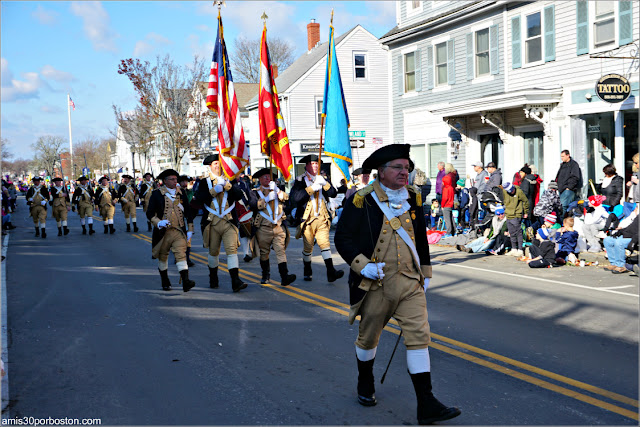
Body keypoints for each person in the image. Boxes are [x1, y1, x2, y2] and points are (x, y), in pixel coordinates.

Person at [334, 144, 460, 425]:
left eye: (407, 167)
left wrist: (424, 273)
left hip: (410, 281)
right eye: (398, 167)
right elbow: (343, 238)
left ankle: (426, 404)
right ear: (381, 171)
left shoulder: (413, 197)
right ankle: (364, 380)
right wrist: (362, 264)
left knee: (419, 337)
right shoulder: (360, 200)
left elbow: (419, 238)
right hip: (375, 283)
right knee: (369, 338)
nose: (405, 172)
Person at [196, 153, 247, 292]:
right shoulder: (204, 182)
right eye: (215, 164)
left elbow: (239, 196)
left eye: (219, 163)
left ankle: (235, 280)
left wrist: (228, 186)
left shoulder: (229, 180)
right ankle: (213, 278)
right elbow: (199, 200)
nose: (218, 166)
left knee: (232, 250)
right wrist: (213, 191)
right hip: (212, 222)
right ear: (210, 167)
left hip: (228, 221)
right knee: (213, 252)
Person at [290, 154, 344, 282]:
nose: (315, 166)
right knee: (308, 247)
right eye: (312, 164)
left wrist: (324, 183)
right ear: (307, 165)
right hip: (307, 219)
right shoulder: (299, 181)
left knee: (325, 244)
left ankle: (331, 272)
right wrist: (312, 188)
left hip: (322, 217)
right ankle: (307, 269)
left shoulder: (322, 178)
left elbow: (333, 193)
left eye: (317, 164)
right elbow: (296, 198)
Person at [146, 169, 196, 292]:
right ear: (165, 181)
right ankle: (165, 280)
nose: (175, 181)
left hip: (179, 230)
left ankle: (185, 281)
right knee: (163, 257)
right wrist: (159, 222)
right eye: (172, 179)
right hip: (163, 232)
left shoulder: (182, 193)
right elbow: (150, 213)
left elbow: (188, 212)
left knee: (181, 254)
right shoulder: (157, 194)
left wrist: (189, 229)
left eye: (176, 179)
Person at [248, 168, 296, 286]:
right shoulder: (254, 192)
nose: (268, 179)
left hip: (278, 226)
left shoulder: (277, 190)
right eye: (265, 177)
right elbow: (253, 205)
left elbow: (287, 199)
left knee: (281, 251)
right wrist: (266, 198)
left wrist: (278, 191)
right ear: (259, 179)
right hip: (263, 227)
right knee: (264, 252)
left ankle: (284, 276)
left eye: (269, 177)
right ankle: (265, 274)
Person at [603, 204, 639, 274]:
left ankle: (621, 266)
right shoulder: (636, 217)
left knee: (619, 242)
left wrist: (633, 241)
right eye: (636, 208)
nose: (636, 209)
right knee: (607, 240)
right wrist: (620, 232)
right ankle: (614, 263)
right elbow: (630, 228)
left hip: (635, 238)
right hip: (628, 235)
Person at [502, 182, 529, 257]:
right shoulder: (504, 191)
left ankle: (520, 250)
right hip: (508, 214)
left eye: (512, 190)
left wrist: (525, 212)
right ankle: (514, 249)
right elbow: (504, 200)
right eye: (509, 191)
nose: (511, 192)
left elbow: (525, 201)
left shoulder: (519, 192)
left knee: (518, 232)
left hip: (516, 214)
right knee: (511, 232)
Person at [178, 175, 196, 267]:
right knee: (179, 239)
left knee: (188, 239)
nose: (185, 183)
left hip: (187, 217)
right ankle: (180, 258)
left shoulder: (189, 192)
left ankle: (187, 259)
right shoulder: (177, 192)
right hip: (179, 217)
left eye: (186, 181)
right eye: (183, 181)